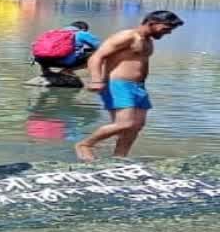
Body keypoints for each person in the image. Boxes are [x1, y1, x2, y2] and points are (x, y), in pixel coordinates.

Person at [74, 11, 184, 161]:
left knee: (136, 125)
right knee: (125, 123)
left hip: (138, 87)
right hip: (118, 84)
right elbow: (96, 57)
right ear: (151, 23)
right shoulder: (127, 36)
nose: (169, 32)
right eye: (166, 28)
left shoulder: (148, 40)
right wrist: (96, 80)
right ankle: (85, 144)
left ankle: (119, 158)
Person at [33, 21, 101, 75]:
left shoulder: (51, 33)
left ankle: (45, 70)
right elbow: (99, 47)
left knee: (45, 51)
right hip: (65, 63)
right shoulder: (81, 33)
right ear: (83, 29)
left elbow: (36, 46)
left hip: (43, 61)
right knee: (97, 54)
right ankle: (67, 71)